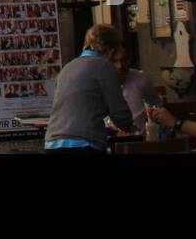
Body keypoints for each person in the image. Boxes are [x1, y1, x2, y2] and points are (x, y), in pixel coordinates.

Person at [44, 24, 133, 153]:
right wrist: (128, 125)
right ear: (112, 51)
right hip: (84, 143)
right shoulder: (104, 66)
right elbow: (119, 112)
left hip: (53, 142)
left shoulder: (68, 68)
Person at [108, 45, 161, 132]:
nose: (120, 66)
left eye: (123, 60)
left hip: (138, 137)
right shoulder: (98, 82)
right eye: (114, 61)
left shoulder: (141, 78)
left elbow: (155, 103)